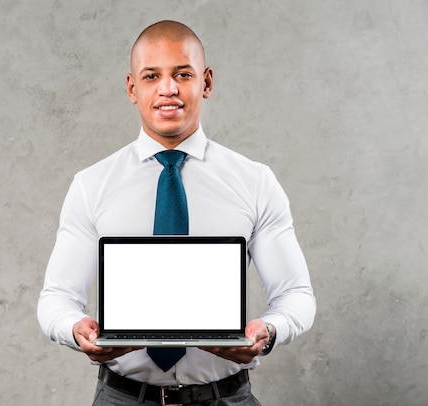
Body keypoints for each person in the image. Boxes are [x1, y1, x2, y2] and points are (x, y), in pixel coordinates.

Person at [37, 20, 316, 405]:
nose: (168, 88)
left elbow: (296, 294)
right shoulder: (92, 185)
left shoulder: (255, 182)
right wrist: (75, 329)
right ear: (133, 88)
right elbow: (56, 298)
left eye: (183, 74)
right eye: (152, 76)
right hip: (122, 398)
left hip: (225, 397)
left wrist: (267, 331)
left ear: (207, 82)